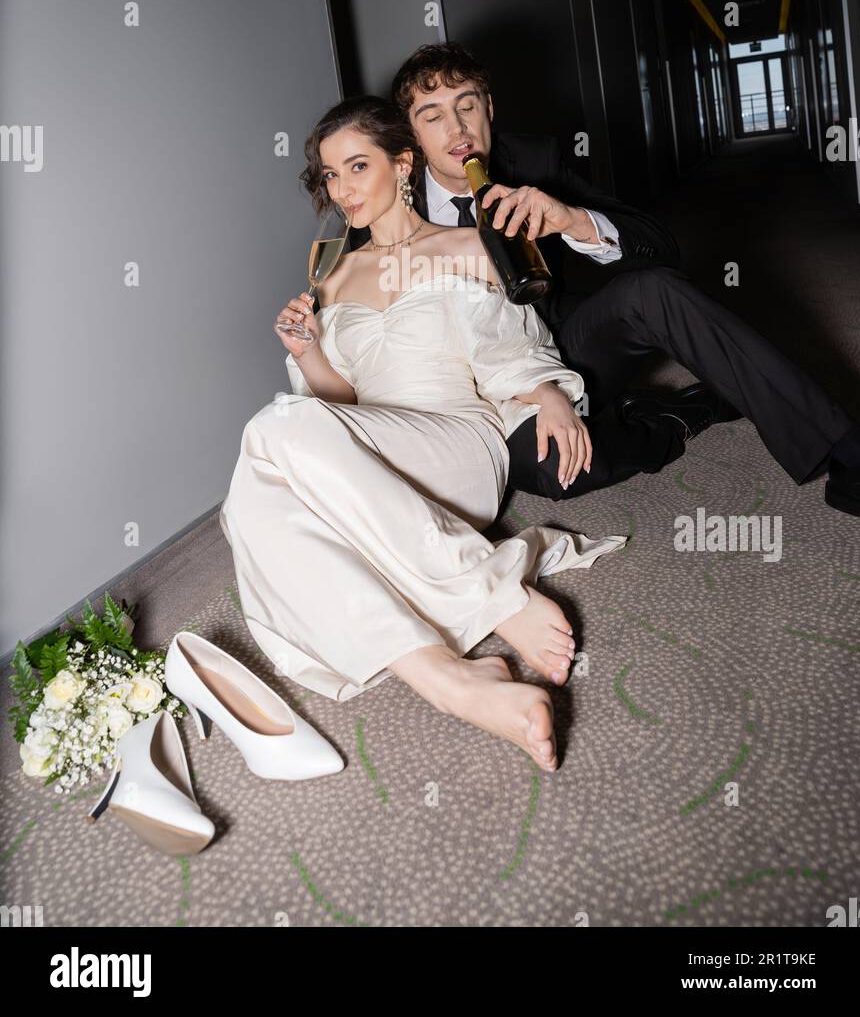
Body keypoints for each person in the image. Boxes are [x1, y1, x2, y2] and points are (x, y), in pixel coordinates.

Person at [219, 96, 658, 774]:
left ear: (402, 165)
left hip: (458, 445)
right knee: (256, 495)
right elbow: (341, 407)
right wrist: (307, 350)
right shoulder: (332, 278)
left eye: (357, 166)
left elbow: (507, 349)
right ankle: (448, 678)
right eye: (331, 176)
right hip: (374, 453)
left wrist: (546, 395)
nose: (343, 190)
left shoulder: (469, 246)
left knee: (272, 437)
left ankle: (484, 600)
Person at [376, 42, 860, 517]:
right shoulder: (388, 202)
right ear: (412, 136)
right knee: (558, 471)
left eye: (468, 106)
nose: (457, 128)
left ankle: (843, 445)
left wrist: (571, 219)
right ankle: (677, 414)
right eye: (433, 115)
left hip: (559, 348)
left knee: (653, 289)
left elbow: (660, 246)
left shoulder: (534, 162)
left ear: (490, 108)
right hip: (468, 389)